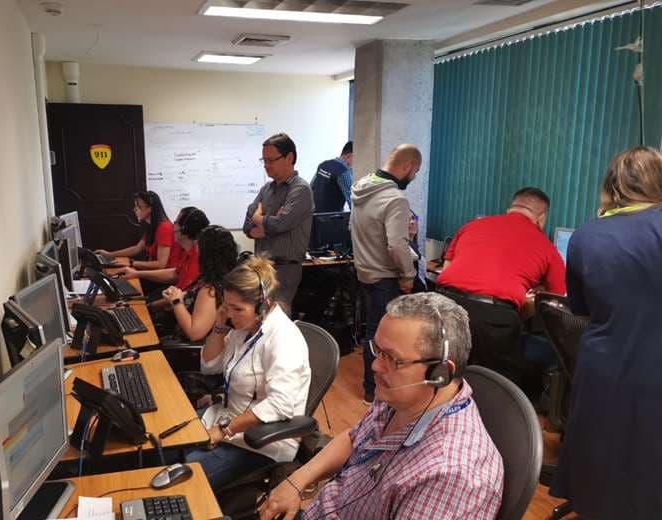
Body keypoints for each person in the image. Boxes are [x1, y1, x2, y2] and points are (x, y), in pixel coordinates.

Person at [259, 293, 504, 520]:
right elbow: (355, 437)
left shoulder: (451, 476)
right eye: (377, 350)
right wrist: (296, 481)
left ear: (439, 374)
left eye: (392, 358)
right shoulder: (402, 394)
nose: (375, 366)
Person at [550, 147, 662, 519]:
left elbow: (580, 307)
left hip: (603, 367)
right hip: (654, 366)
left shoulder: (586, 236)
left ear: (611, 185)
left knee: (602, 455)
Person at [185, 255, 311, 489]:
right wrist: (219, 323)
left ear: (262, 306)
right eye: (227, 307)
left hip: (262, 440)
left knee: (186, 476)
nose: (231, 315)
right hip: (226, 420)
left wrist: (224, 429)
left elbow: (280, 404)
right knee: (168, 447)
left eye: (237, 309)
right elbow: (210, 365)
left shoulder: (284, 339)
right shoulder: (244, 328)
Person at [435, 187, 565, 392]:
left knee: (443, 371)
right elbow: (553, 301)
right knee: (500, 383)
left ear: (510, 208)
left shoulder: (471, 226)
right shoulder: (547, 247)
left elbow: (447, 268)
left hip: (444, 305)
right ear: (541, 218)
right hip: (494, 317)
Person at [351, 144, 421, 404]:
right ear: (407, 166)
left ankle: (372, 389)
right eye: (415, 172)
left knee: (373, 333)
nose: (413, 177)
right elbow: (396, 246)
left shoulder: (361, 188)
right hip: (387, 278)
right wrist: (408, 275)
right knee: (385, 338)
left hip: (364, 274)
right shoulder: (395, 198)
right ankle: (376, 391)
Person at [243, 133, 313, 314]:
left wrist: (259, 219)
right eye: (264, 160)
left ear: (289, 158)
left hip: (284, 269)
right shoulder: (266, 189)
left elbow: (279, 224)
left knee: (276, 318)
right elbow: (247, 225)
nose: (266, 165)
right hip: (261, 267)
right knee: (259, 317)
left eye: (271, 160)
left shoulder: (300, 189)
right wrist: (264, 225)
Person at [158, 225, 238, 342]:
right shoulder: (221, 277)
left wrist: (176, 301)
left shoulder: (210, 290)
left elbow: (194, 333)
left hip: (184, 348)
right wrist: (178, 295)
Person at [120, 207, 209, 290]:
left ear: (184, 229)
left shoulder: (197, 257)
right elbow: (176, 273)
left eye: (176, 222)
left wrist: (133, 265)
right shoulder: (189, 251)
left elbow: (184, 294)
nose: (173, 226)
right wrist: (136, 273)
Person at [96, 191, 174, 269]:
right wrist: (109, 254)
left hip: (166, 273)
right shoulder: (152, 227)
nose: (134, 210)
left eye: (138, 206)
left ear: (150, 208)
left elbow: (161, 264)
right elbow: (136, 249)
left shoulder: (164, 227)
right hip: (156, 272)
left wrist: (131, 263)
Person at [311, 141, 354, 212]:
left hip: (315, 215)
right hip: (332, 217)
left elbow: (311, 187)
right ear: (349, 155)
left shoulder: (323, 165)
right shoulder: (343, 172)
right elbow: (352, 201)